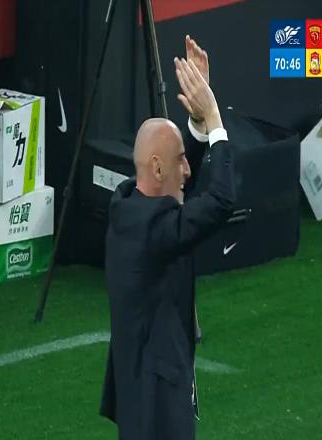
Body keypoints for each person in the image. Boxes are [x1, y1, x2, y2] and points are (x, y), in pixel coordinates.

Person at [100, 36, 237, 440]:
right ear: (158, 168)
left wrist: (195, 123)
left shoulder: (129, 202)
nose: (189, 171)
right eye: (181, 161)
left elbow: (174, 183)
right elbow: (221, 199)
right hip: (157, 397)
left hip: (141, 384)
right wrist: (215, 121)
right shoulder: (156, 232)